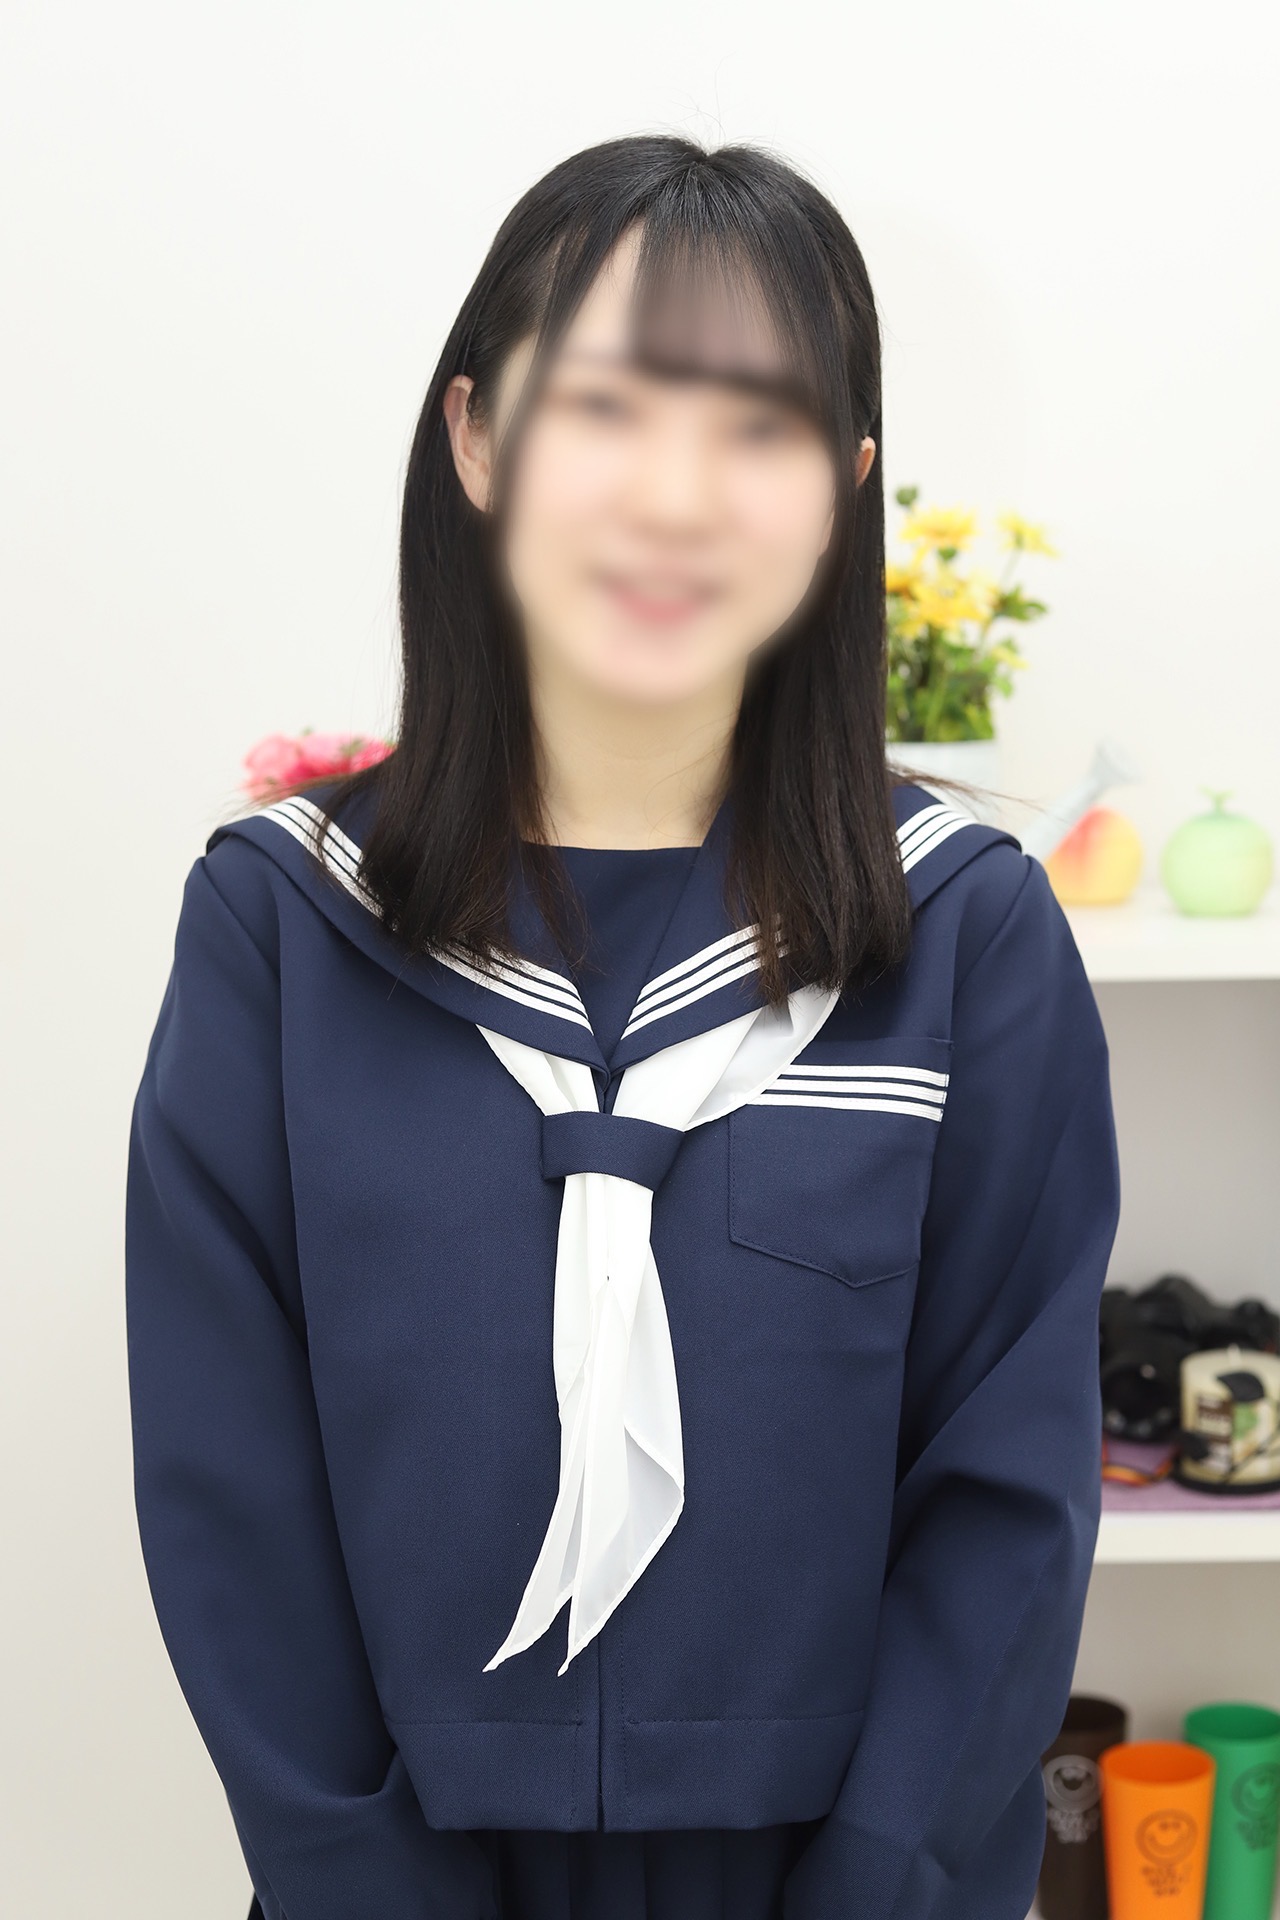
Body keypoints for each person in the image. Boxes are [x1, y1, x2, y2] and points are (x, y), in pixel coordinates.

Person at [125, 135, 1121, 1920]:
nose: (678, 498)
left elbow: (1006, 1499)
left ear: (846, 489)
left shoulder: (965, 932)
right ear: (477, 437)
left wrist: (878, 1887)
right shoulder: (281, 925)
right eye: (607, 408)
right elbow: (228, 1480)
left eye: (760, 427)